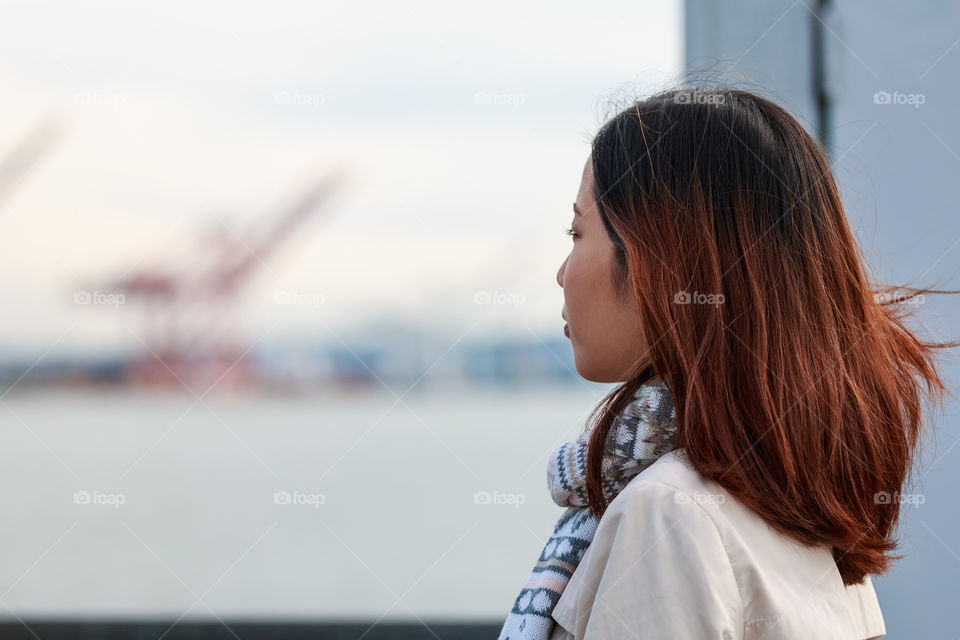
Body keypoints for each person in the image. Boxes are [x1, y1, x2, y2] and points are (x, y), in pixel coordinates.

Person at [524, 87, 956, 639]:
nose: (562, 272)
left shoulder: (669, 512)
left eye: (576, 232)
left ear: (668, 260)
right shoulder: (800, 503)